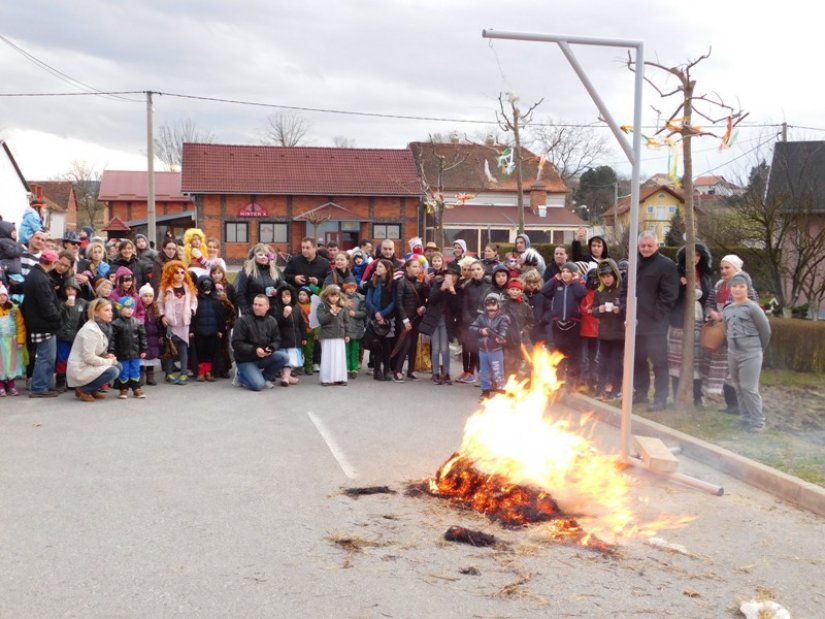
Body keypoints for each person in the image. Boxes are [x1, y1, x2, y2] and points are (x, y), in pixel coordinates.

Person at [703, 254, 759, 413]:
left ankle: (741, 406)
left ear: (736, 268)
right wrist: (712, 313)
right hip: (721, 332)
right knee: (725, 370)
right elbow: (709, 303)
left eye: (727, 267)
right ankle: (731, 405)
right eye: (721, 268)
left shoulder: (745, 286)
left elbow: (752, 308)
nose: (723, 271)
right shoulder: (719, 286)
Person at [630, 231, 679, 410]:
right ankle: (641, 393)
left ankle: (660, 398)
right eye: (643, 246)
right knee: (637, 360)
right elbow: (625, 290)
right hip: (635, 323)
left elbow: (669, 295)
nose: (646, 249)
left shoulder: (666, 265)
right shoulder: (634, 265)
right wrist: (624, 310)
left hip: (655, 325)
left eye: (650, 245)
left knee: (659, 362)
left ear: (657, 245)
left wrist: (656, 315)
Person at [723, 272, 771, 432]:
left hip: (751, 353)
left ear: (747, 288)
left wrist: (757, 350)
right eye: (734, 286)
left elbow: (766, 331)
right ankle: (745, 418)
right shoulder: (727, 309)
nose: (737, 289)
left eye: (741, 286)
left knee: (749, 388)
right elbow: (726, 329)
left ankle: (758, 422)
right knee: (737, 386)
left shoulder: (753, 308)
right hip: (733, 353)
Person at [667, 241, 713, 406]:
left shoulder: (705, 275)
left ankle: (697, 397)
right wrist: (682, 286)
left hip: (699, 318)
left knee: (697, 359)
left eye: (697, 255)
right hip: (680, 319)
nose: (694, 258)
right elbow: (670, 296)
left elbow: (709, 297)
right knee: (676, 360)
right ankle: (677, 396)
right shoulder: (676, 272)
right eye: (690, 255)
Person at [539, 261, 588, 387]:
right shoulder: (557, 285)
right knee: (559, 352)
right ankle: (559, 379)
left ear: (574, 274)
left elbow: (581, 293)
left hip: (573, 324)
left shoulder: (578, 285)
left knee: (573, 354)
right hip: (558, 323)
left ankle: (573, 381)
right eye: (563, 271)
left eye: (568, 272)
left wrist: (575, 281)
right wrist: (554, 279)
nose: (565, 274)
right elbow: (544, 290)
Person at [22, 250, 63, 398]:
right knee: (46, 356)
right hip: (44, 323)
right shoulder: (40, 279)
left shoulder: (35, 274)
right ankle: (39, 387)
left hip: (38, 322)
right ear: (52, 263)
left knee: (46, 355)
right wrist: (58, 318)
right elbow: (46, 305)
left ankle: (43, 385)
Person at [231, 294, 291, 391]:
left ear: (267, 307)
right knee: (258, 386)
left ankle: (265, 378)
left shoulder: (272, 321)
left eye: (260, 305)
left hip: (263, 357)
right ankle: (240, 376)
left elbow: (277, 340)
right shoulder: (242, 321)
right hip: (245, 360)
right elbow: (236, 343)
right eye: (255, 304)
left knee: (284, 357)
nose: (256, 307)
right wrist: (255, 350)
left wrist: (271, 348)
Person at [67, 298, 122, 402]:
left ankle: (92, 389)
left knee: (118, 366)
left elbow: (97, 350)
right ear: (96, 313)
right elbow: (89, 357)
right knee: (113, 370)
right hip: (81, 367)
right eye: (106, 310)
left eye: (111, 310)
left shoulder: (104, 326)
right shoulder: (90, 330)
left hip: (89, 364)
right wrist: (109, 361)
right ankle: (84, 389)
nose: (111, 313)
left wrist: (106, 355)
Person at [419, 261, 461, 384]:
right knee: (436, 348)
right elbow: (431, 300)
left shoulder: (458, 288)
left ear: (457, 276)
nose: (451, 277)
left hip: (447, 321)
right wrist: (442, 289)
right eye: (448, 274)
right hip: (434, 319)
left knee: (445, 348)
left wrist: (453, 292)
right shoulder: (437, 284)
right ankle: (435, 373)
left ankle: (447, 373)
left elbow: (457, 307)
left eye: (454, 274)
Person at [158, 260, 198, 385]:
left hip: (184, 322)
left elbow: (194, 301)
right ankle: (169, 373)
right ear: (170, 274)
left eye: (182, 272)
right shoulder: (166, 288)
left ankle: (184, 373)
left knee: (183, 348)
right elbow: (159, 303)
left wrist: (192, 310)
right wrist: (162, 316)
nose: (180, 275)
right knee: (171, 348)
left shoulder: (188, 288)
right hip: (171, 322)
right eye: (176, 272)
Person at [590, 259, 624, 400]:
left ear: (615, 275)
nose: (606, 279)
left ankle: (616, 389)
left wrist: (619, 310)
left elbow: (629, 308)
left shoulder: (622, 290)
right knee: (602, 363)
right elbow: (593, 310)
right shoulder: (599, 292)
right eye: (603, 276)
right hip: (604, 334)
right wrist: (600, 309)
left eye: (609, 276)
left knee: (616, 363)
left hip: (619, 334)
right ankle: (600, 389)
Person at [470, 292, 511, 399]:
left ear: (498, 305)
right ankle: (485, 391)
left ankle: (500, 389)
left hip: (496, 350)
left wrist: (500, 337)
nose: (490, 308)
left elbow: (504, 329)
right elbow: (471, 328)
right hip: (483, 350)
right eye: (488, 305)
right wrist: (481, 331)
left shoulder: (502, 318)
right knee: (484, 372)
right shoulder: (481, 318)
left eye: (493, 305)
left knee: (498, 372)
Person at [392, 258, 427, 382]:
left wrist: (423, 307)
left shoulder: (420, 282)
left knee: (413, 345)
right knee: (405, 344)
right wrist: (405, 320)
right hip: (405, 318)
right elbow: (399, 302)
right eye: (415, 266)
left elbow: (425, 300)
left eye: (419, 267)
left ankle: (411, 370)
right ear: (407, 268)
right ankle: (397, 371)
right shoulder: (401, 282)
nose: (418, 269)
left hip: (416, 318)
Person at [456, 260, 490, 384]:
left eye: (478, 269)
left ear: (483, 271)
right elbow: (464, 305)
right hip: (468, 322)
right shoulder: (467, 286)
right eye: (473, 270)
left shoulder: (489, 285)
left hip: (484, 322)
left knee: (478, 348)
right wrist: (468, 319)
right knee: (466, 347)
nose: (475, 272)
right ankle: (466, 372)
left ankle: (478, 374)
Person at [364, 258, 397, 381]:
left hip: (388, 318)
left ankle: (387, 369)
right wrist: (376, 313)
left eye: (380, 267)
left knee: (387, 345)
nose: (377, 269)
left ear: (387, 269)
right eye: (377, 267)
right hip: (374, 317)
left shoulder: (393, 283)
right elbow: (368, 300)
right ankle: (377, 370)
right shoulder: (373, 282)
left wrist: (383, 314)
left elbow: (394, 302)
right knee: (376, 344)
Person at [109, 296, 148, 399]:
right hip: (122, 353)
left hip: (135, 353)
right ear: (120, 308)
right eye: (126, 308)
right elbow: (112, 339)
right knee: (124, 371)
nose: (129, 310)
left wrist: (144, 349)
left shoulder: (137, 322)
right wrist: (112, 351)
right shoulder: (115, 324)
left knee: (135, 370)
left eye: (131, 308)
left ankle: (136, 388)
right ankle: (123, 389)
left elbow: (142, 337)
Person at [55, 278, 88, 393]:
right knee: (62, 358)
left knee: (74, 359)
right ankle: (60, 380)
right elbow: (56, 317)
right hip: (62, 336)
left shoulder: (83, 303)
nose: (70, 291)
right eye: (68, 289)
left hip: (77, 336)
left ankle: (72, 381)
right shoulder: (59, 302)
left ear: (77, 290)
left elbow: (85, 320)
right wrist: (64, 306)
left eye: (73, 289)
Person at [235, 244, 284, 316]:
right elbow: (241, 293)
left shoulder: (275, 270)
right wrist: (246, 311)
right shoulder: (247, 271)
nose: (264, 257)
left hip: (272, 312)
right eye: (260, 254)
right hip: (253, 312)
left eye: (266, 255)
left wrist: (277, 291)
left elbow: (283, 287)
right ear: (254, 257)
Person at [191, 276, 225, 382]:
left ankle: (209, 372)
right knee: (200, 352)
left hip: (213, 332)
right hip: (199, 332)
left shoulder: (216, 300)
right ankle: (201, 372)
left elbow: (220, 316)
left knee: (211, 352)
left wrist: (220, 330)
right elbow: (192, 317)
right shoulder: (195, 300)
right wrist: (191, 330)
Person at [316, 284, 349, 386]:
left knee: (339, 357)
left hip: (340, 335)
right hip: (327, 335)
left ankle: (340, 377)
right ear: (327, 296)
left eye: (336, 296)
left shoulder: (342, 307)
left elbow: (346, 321)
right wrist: (331, 313)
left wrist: (347, 334)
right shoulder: (322, 306)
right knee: (328, 357)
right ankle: (326, 379)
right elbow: (321, 320)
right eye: (332, 296)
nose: (334, 298)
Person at [501, 277, 533, 379]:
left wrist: (524, 330)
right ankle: (509, 383)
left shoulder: (526, 306)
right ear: (508, 291)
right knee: (509, 362)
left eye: (517, 290)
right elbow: (499, 321)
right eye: (513, 289)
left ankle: (525, 383)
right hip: (509, 340)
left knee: (527, 361)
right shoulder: (504, 306)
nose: (515, 292)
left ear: (521, 291)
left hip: (523, 340)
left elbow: (531, 322)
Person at [272, 284, 304, 386]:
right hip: (284, 339)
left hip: (294, 340)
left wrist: (304, 337)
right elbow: (275, 324)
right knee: (286, 360)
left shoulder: (296, 308)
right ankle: (286, 378)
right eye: (283, 297)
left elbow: (301, 323)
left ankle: (287, 377)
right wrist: (284, 316)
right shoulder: (277, 309)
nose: (286, 299)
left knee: (290, 360)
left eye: (288, 296)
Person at [0, 283, 26, 396]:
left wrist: (20, 340)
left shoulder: (14, 309)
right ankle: (1, 385)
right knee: (1, 365)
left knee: (12, 364)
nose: (2, 298)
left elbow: (20, 326)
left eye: (4, 295)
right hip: (0, 342)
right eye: (0, 295)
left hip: (12, 341)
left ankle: (11, 384)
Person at [138, 283, 162, 386]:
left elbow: (159, 323)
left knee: (152, 356)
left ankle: (150, 376)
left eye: (150, 296)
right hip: (142, 336)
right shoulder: (138, 308)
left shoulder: (155, 309)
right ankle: (140, 376)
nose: (148, 299)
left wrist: (160, 334)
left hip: (153, 336)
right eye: (145, 296)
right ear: (141, 296)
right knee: (142, 357)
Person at [341, 281, 366, 379]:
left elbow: (364, 312)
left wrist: (355, 314)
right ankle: (346, 368)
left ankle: (354, 368)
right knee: (346, 349)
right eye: (348, 287)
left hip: (356, 327)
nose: (351, 290)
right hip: (345, 328)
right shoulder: (341, 298)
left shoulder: (360, 298)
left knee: (355, 349)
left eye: (353, 287)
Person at [296, 286, 318, 376]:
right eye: (300, 294)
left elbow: (315, 320)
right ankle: (299, 367)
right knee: (299, 351)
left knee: (309, 351)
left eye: (304, 295)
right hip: (299, 332)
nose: (301, 296)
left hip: (310, 332)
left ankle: (309, 366)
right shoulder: (296, 306)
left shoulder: (312, 306)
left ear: (308, 296)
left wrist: (316, 332)